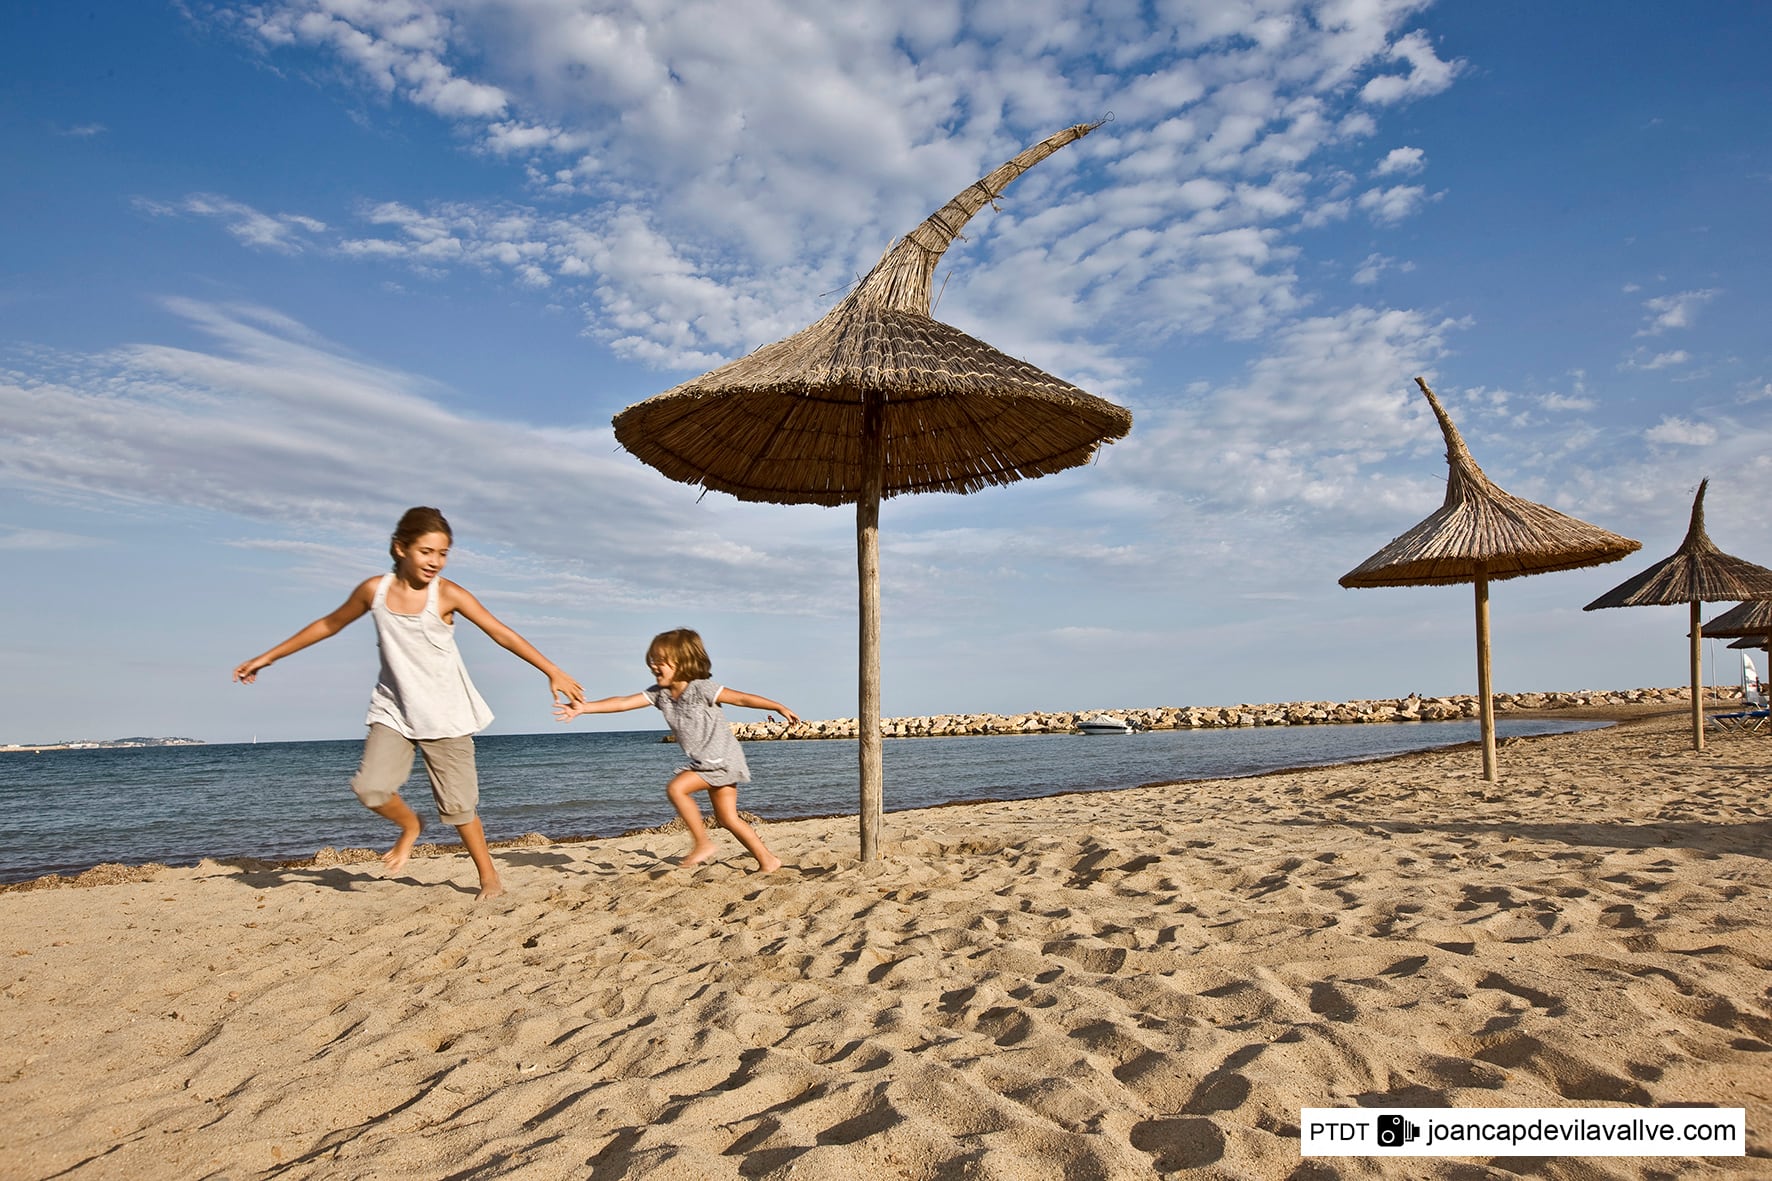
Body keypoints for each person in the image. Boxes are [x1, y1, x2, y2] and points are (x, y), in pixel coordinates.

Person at [233, 507, 584, 900]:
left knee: (458, 808)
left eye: (443, 553)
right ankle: (411, 826)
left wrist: (551, 670)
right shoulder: (374, 591)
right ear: (400, 548)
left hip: (447, 715)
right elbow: (328, 625)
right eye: (426, 551)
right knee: (371, 789)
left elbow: (500, 633)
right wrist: (268, 656)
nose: (436, 561)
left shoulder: (448, 594)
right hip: (394, 710)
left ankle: (489, 877)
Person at [556, 628, 796, 872]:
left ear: (683, 663)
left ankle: (703, 843)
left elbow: (742, 699)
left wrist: (777, 707)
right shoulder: (661, 694)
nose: (654, 666)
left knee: (677, 788)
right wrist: (584, 708)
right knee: (728, 819)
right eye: (652, 660)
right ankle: (768, 860)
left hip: (721, 760)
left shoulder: (701, 688)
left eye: (661, 661)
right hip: (711, 762)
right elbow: (622, 702)